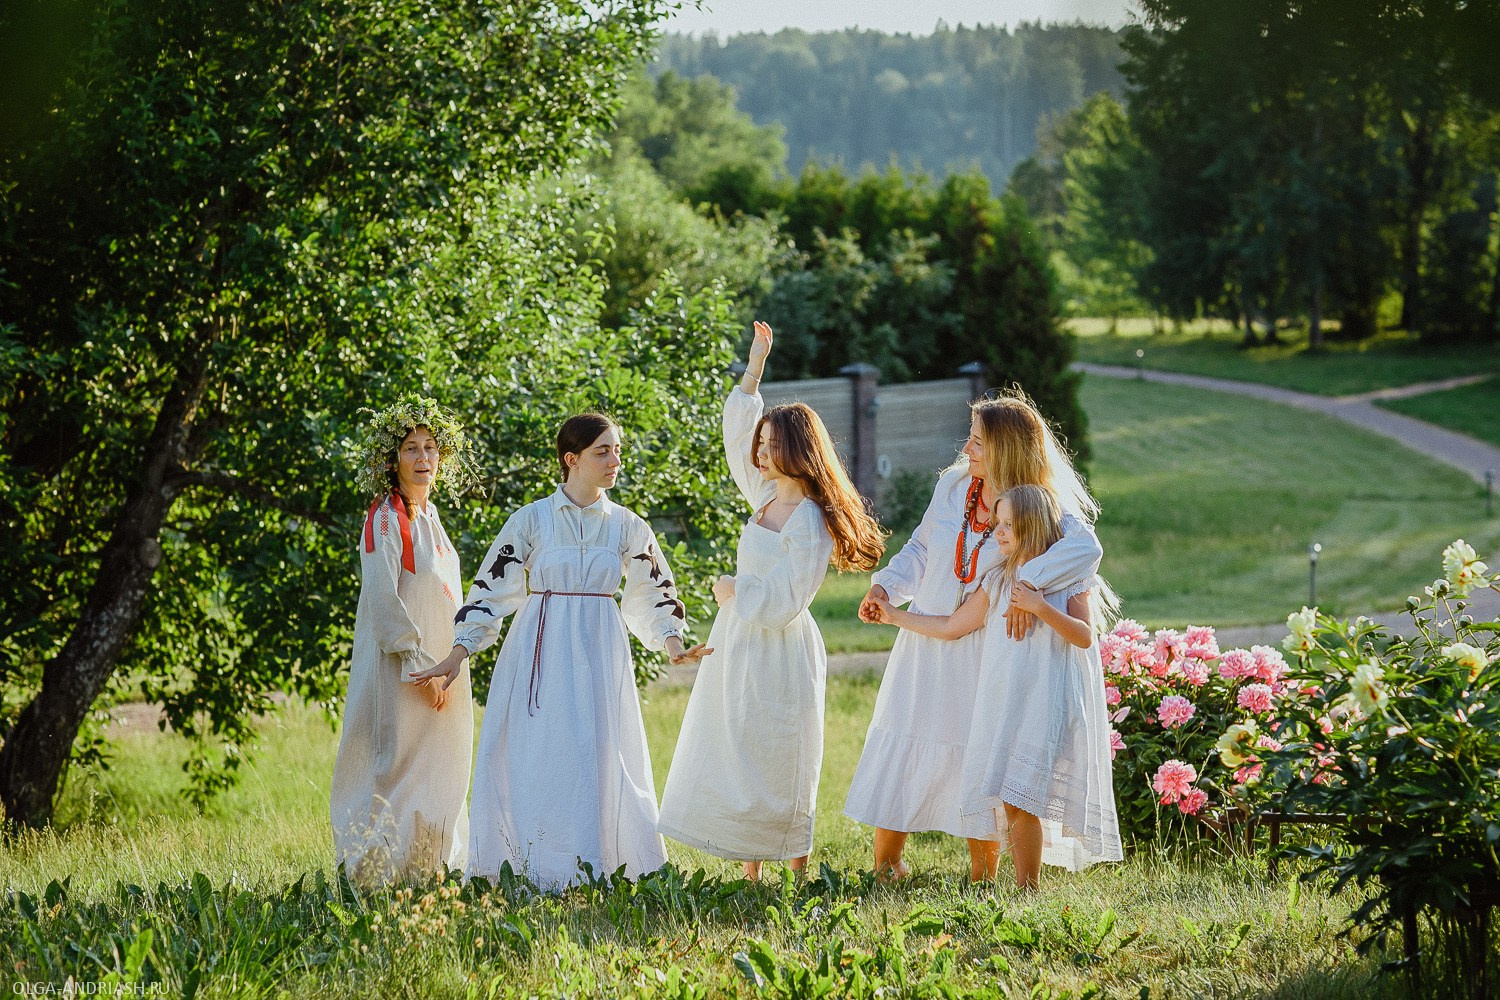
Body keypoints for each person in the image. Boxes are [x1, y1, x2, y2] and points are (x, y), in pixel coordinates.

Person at [413, 413, 710, 892]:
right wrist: (459, 651)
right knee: (539, 753)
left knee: (598, 752)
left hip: (600, 650)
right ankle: (530, 865)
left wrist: (672, 643)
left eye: (617, 451)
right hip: (540, 646)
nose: (615, 460)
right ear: (571, 460)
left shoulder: (627, 526)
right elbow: (490, 590)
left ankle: (598, 865)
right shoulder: (531, 520)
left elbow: (654, 591)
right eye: (603, 452)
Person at [845, 389, 1104, 881]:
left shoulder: (1037, 504)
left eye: (978, 442)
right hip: (927, 631)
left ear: (1006, 450)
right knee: (907, 734)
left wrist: (1028, 581)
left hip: (986, 646)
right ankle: (886, 865)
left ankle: (983, 875)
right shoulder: (951, 487)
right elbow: (921, 547)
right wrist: (887, 587)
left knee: (976, 749)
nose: (967, 450)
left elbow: (1087, 549)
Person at [658, 321, 885, 880]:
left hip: (780, 645)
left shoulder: (808, 519)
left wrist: (738, 592)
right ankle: (750, 866)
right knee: (741, 742)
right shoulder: (764, 495)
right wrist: (755, 366)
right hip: (741, 640)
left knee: (782, 747)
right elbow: (735, 438)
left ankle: (797, 865)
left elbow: (789, 597)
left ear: (796, 451)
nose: (758, 453)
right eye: (760, 445)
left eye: (769, 446)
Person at [866, 483, 1123, 889]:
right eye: (997, 523)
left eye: (1008, 525)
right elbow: (953, 626)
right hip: (1003, 701)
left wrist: (1038, 606)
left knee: (1023, 797)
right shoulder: (998, 579)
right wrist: (894, 617)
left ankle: (1028, 884)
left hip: (1045, 700)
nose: (998, 532)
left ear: (1034, 528)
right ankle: (1014, 886)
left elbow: (1084, 636)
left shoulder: (1067, 580)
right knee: (1008, 795)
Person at [330, 395, 477, 885]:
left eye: (431, 448)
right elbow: (382, 597)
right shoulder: (386, 517)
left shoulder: (431, 518)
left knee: (438, 762)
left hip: (440, 666)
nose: (422, 457)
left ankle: (430, 870)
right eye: (411, 448)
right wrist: (420, 667)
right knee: (392, 764)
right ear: (392, 460)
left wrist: (447, 664)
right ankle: (374, 874)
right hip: (403, 670)